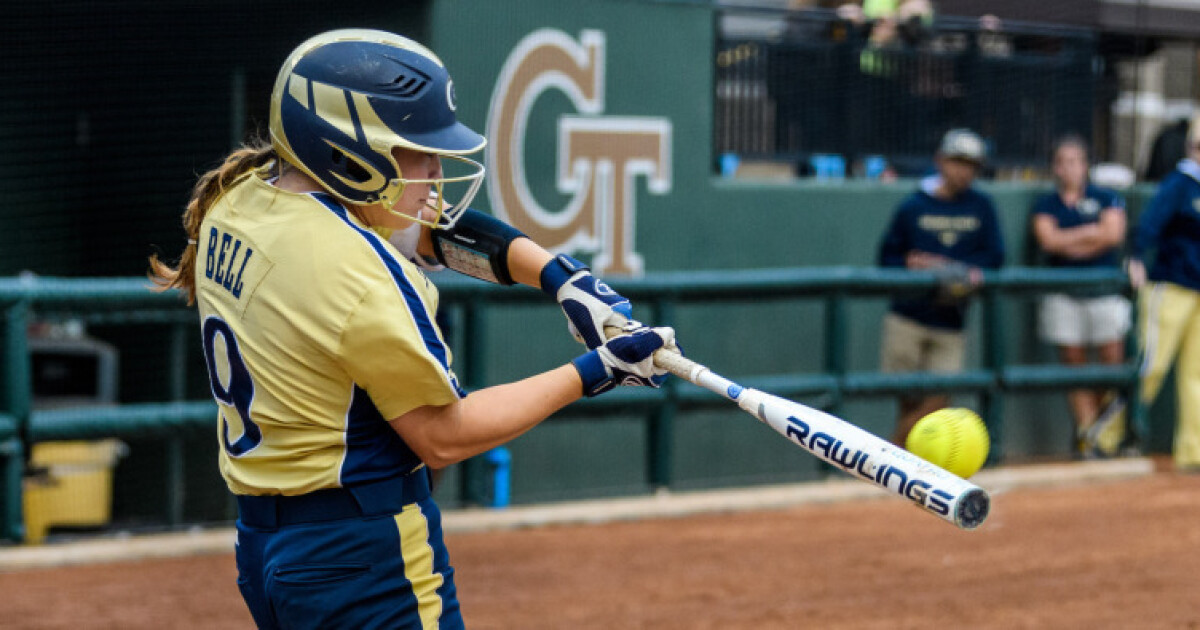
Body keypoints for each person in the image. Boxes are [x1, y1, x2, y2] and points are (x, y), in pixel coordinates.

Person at [148, 29, 679, 629]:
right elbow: (444, 438)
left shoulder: (239, 199)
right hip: (364, 555)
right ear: (345, 155)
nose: (433, 169)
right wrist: (598, 371)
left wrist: (561, 278)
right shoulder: (359, 275)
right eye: (414, 151)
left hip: (268, 552)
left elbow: (430, 234)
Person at [877, 128, 1006, 445]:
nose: (963, 170)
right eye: (957, 161)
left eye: (970, 164)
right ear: (940, 161)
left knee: (938, 399)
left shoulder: (981, 207)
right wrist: (911, 265)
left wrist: (941, 266)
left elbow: (995, 256)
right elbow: (887, 259)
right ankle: (909, 465)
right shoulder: (914, 205)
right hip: (907, 316)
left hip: (951, 319)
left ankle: (889, 453)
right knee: (906, 398)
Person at [1029, 135, 1130, 458]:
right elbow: (1049, 241)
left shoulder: (1106, 197)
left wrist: (1069, 238)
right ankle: (1087, 435)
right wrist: (1090, 233)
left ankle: (1106, 434)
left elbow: (1112, 235)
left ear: (1086, 165)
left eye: (1075, 160)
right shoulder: (1046, 204)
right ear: (1055, 167)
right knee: (1073, 365)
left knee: (1111, 364)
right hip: (1064, 294)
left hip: (1104, 293)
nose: (1068, 168)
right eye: (1062, 161)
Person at [1128, 114, 1200, 473]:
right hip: (1171, 286)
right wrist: (1137, 257)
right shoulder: (1179, 183)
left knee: (1197, 374)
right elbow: (1150, 224)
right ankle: (1111, 437)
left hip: (1198, 293)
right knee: (1149, 365)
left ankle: (1194, 451)